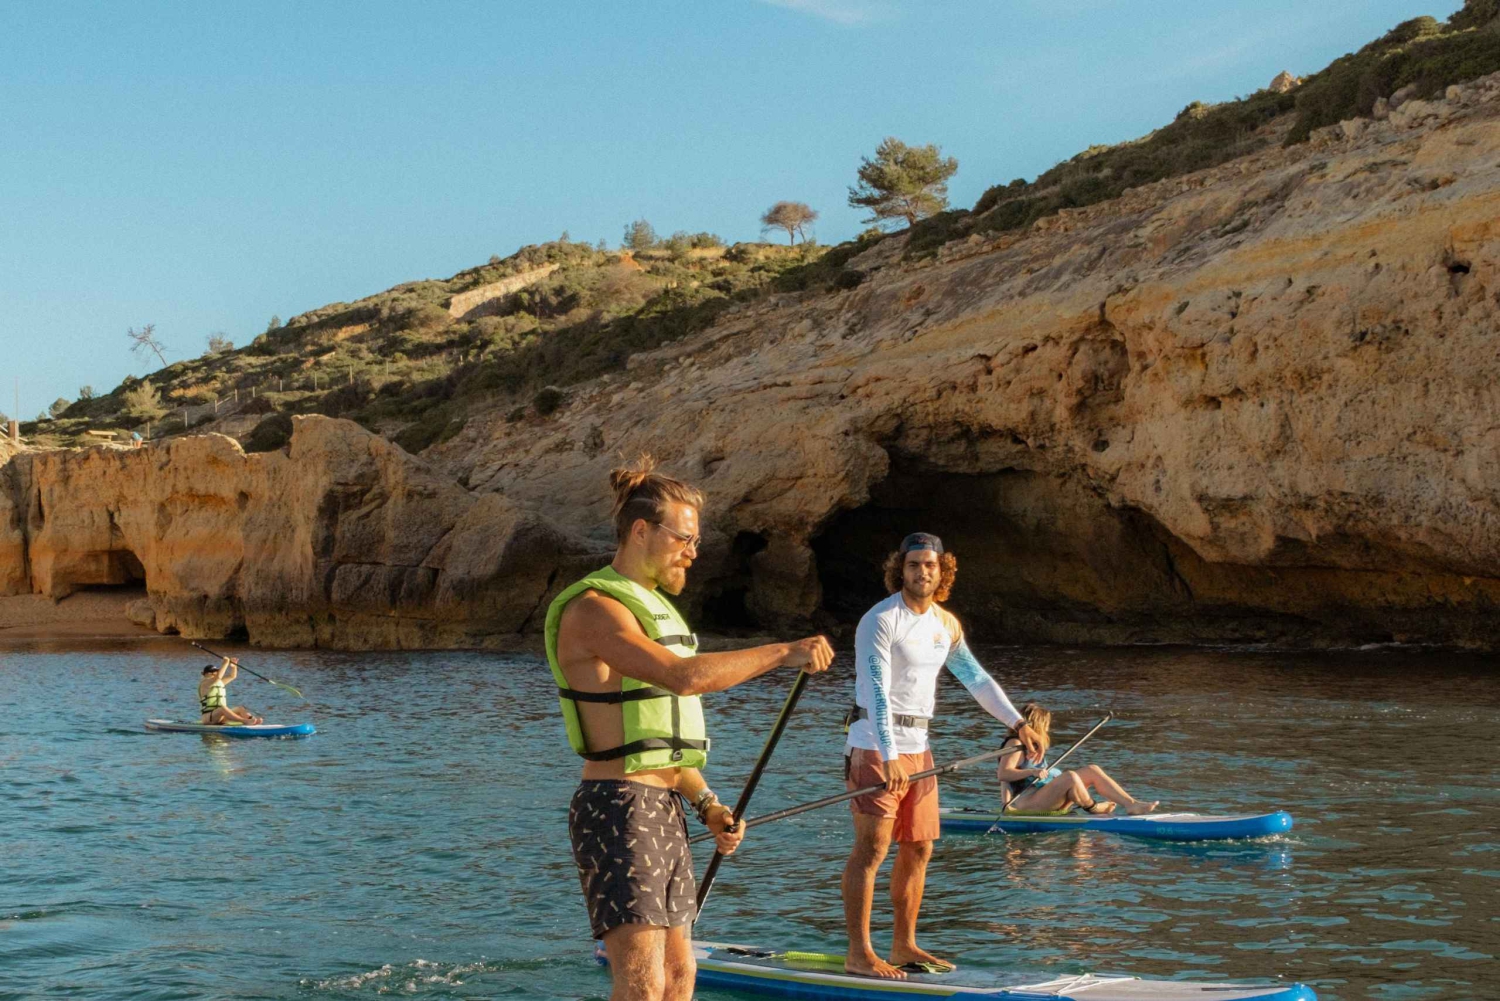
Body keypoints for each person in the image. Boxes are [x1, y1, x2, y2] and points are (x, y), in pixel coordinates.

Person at [546, 455, 835, 1001]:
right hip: (617, 806)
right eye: (684, 538)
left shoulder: (654, 609)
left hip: (664, 807)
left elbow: (662, 745)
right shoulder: (594, 609)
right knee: (643, 983)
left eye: (695, 540)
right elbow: (682, 678)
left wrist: (707, 805)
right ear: (641, 531)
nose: (694, 552)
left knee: (680, 977)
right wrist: (782, 652)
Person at [842, 532, 1043, 980]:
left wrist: (1018, 724)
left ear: (942, 571)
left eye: (930, 565)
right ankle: (859, 953)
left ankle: (903, 944)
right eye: (913, 564)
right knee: (872, 849)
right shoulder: (880, 619)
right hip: (874, 744)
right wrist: (889, 754)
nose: (922, 572)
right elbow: (876, 691)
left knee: (919, 846)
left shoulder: (945, 625)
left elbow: (977, 679)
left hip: (920, 749)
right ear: (900, 570)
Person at [997, 703, 1158, 816]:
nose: (1047, 729)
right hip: (1027, 801)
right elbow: (1003, 774)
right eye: (1046, 725)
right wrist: (1032, 772)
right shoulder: (1015, 743)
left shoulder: (1033, 745)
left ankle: (1131, 804)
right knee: (1070, 777)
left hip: (1043, 794)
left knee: (1092, 770)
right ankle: (1094, 808)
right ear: (1037, 725)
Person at [198, 658, 262, 725]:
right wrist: (225, 662)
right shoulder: (205, 683)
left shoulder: (218, 682)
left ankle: (252, 720)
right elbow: (218, 677)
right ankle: (244, 721)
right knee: (222, 708)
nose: (213, 674)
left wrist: (233, 666)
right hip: (208, 718)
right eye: (210, 672)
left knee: (240, 709)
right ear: (204, 674)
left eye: (215, 672)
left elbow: (232, 676)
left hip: (220, 717)